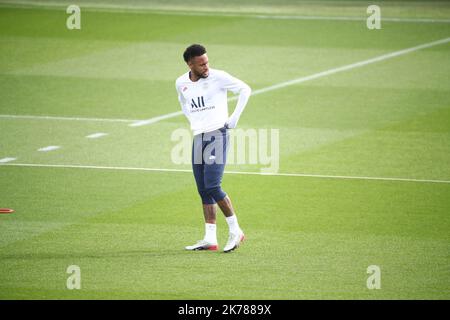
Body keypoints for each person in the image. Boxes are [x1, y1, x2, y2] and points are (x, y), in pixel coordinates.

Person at [175, 44, 251, 253]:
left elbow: (245, 89)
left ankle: (236, 231)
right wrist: (194, 122)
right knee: (203, 190)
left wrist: (233, 118)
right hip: (198, 137)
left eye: (207, 62)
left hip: (218, 134)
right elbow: (183, 103)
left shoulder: (218, 77)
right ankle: (210, 238)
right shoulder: (181, 83)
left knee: (213, 186)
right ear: (190, 64)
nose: (206, 67)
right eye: (201, 64)